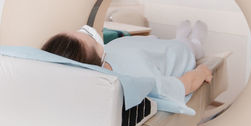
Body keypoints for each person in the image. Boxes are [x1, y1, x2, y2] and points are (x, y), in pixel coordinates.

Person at [41, 21, 213, 105]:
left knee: (155, 42)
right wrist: (202, 71)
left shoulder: (99, 54)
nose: (88, 31)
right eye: (91, 39)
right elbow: (183, 85)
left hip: (143, 46)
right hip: (174, 53)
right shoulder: (137, 81)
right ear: (98, 62)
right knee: (184, 46)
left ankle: (182, 37)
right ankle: (195, 42)